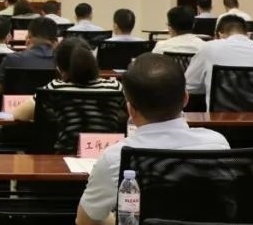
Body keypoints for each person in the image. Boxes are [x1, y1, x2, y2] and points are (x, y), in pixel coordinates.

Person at [76, 54, 229, 225]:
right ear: (186, 98)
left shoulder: (115, 157)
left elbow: (86, 220)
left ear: (131, 110)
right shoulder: (217, 144)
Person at [13, 38, 122, 122]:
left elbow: (18, 115)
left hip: (66, 146)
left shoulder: (55, 88)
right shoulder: (115, 87)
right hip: (109, 146)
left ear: (60, 68)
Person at [184, 15, 253, 102]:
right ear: (247, 34)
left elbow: (189, 85)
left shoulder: (209, 48)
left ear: (219, 35)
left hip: (218, 113)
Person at [0, 16, 57, 93]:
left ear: (28, 37)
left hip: (18, 101)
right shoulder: (63, 62)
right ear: (55, 41)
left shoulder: (12, 59)